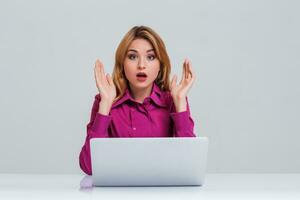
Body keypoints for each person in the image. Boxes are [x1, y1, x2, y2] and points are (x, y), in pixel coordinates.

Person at [79, 25, 196, 175]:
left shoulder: (173, 100)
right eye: (133, 57)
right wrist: (105, 105)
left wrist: (180, 102)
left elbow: (189, 165)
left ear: (160, 65)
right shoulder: (105, 102)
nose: (141, 65)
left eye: (151, 57)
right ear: (122, 64)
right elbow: (89, 167)